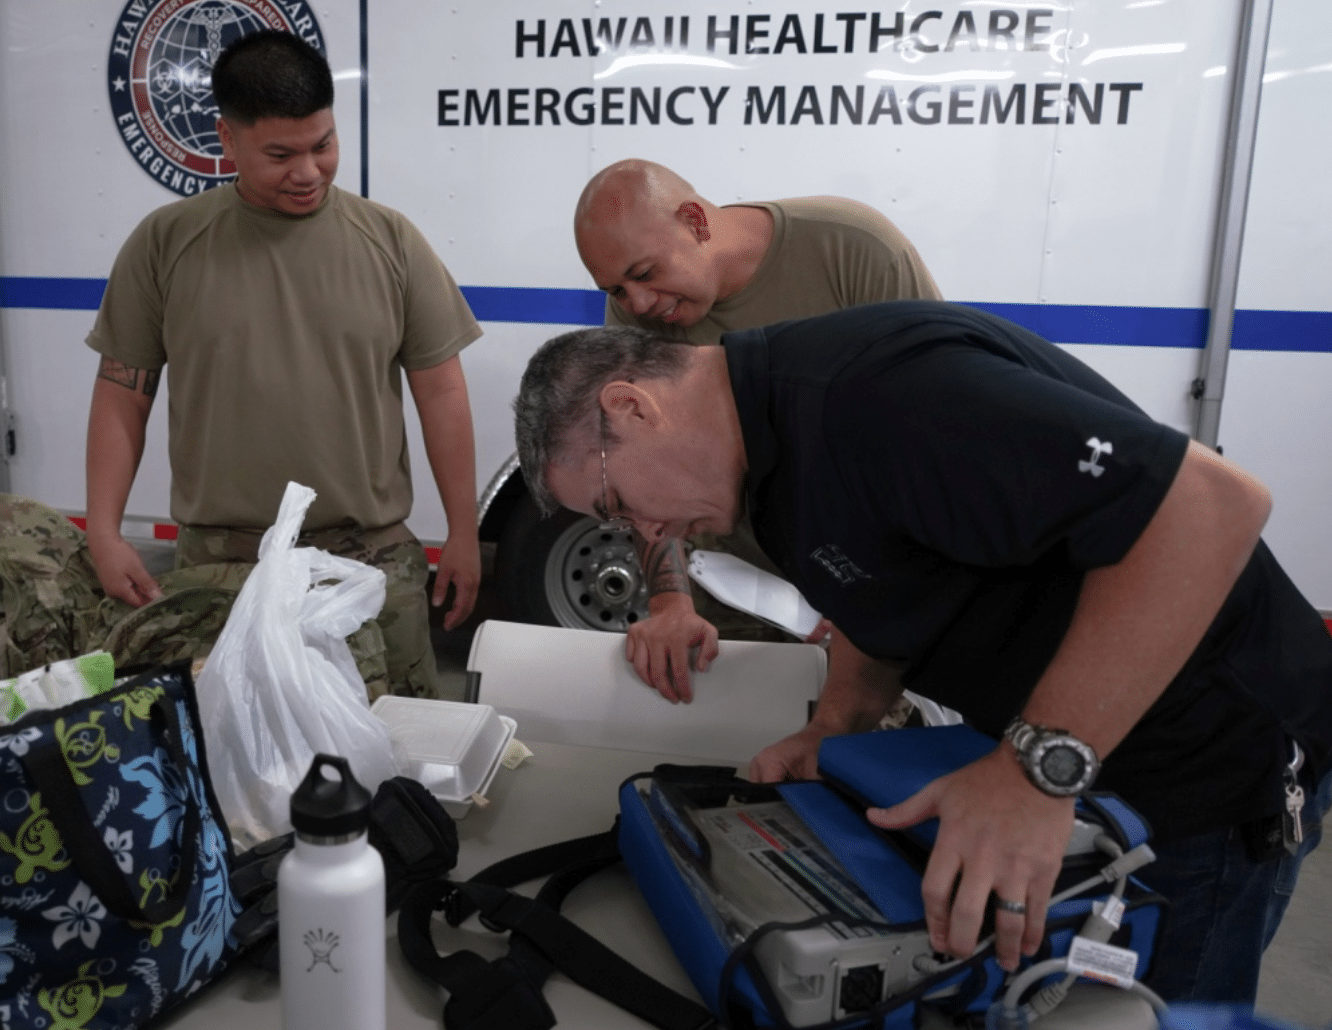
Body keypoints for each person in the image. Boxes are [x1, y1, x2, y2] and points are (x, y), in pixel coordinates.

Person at [512, 304, 1332, 1005]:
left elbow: (1209, 504)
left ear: (633, 407)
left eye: (620, 507)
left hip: (1204, 764)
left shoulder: (881, 395)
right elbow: (877, 587)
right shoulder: (764, 457)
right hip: (1082, 762)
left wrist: (1035, 768)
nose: (647, 537)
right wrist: (836, 725)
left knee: (1149, 1011)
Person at [84, 30, 482, 701]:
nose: (309, 171)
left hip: (369, 561)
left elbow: (441, 391)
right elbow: (124, 393)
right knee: (236, 775)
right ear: (227, 138)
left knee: (399, 764)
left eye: (322, 144)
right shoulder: (167, 243)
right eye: (280, 154)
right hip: (221, 566)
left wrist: (463, 533)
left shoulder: (389, 240)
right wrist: (102, 530)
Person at [574, 159, 941, 701]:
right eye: (617, 290)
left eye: (645, 274)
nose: (639, 304)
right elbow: (648, 475)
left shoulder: (853, 249)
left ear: (697, 222)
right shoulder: (633, 315)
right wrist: (671, 603)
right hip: (739, 590)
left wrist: (882, 598)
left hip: (875, 589)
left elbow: (931, 432)